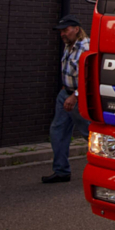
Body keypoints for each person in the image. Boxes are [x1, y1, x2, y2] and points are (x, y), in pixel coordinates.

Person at [41, 15, 91, 184]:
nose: (63, 34)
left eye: (66, 30)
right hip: (66, 94)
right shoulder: (68, 46)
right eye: (61, 31)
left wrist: (74, 96)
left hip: (79, 97)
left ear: (76, 29)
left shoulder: (86, 47)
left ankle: (112, 169)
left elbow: (89, 77)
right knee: (58, 131)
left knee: (91, 135)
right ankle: (61, 171)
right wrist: (65, 90)